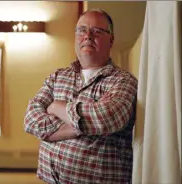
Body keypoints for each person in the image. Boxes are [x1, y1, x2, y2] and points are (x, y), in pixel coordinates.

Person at [24, 9, 137, 184]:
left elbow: (105, 118)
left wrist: (55, 106)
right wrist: (81, 127)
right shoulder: (57, 77)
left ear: (111, 40)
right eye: (82, 30)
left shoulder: (123, 81)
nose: (88, 36)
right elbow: (31, 119)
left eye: (97, 31)